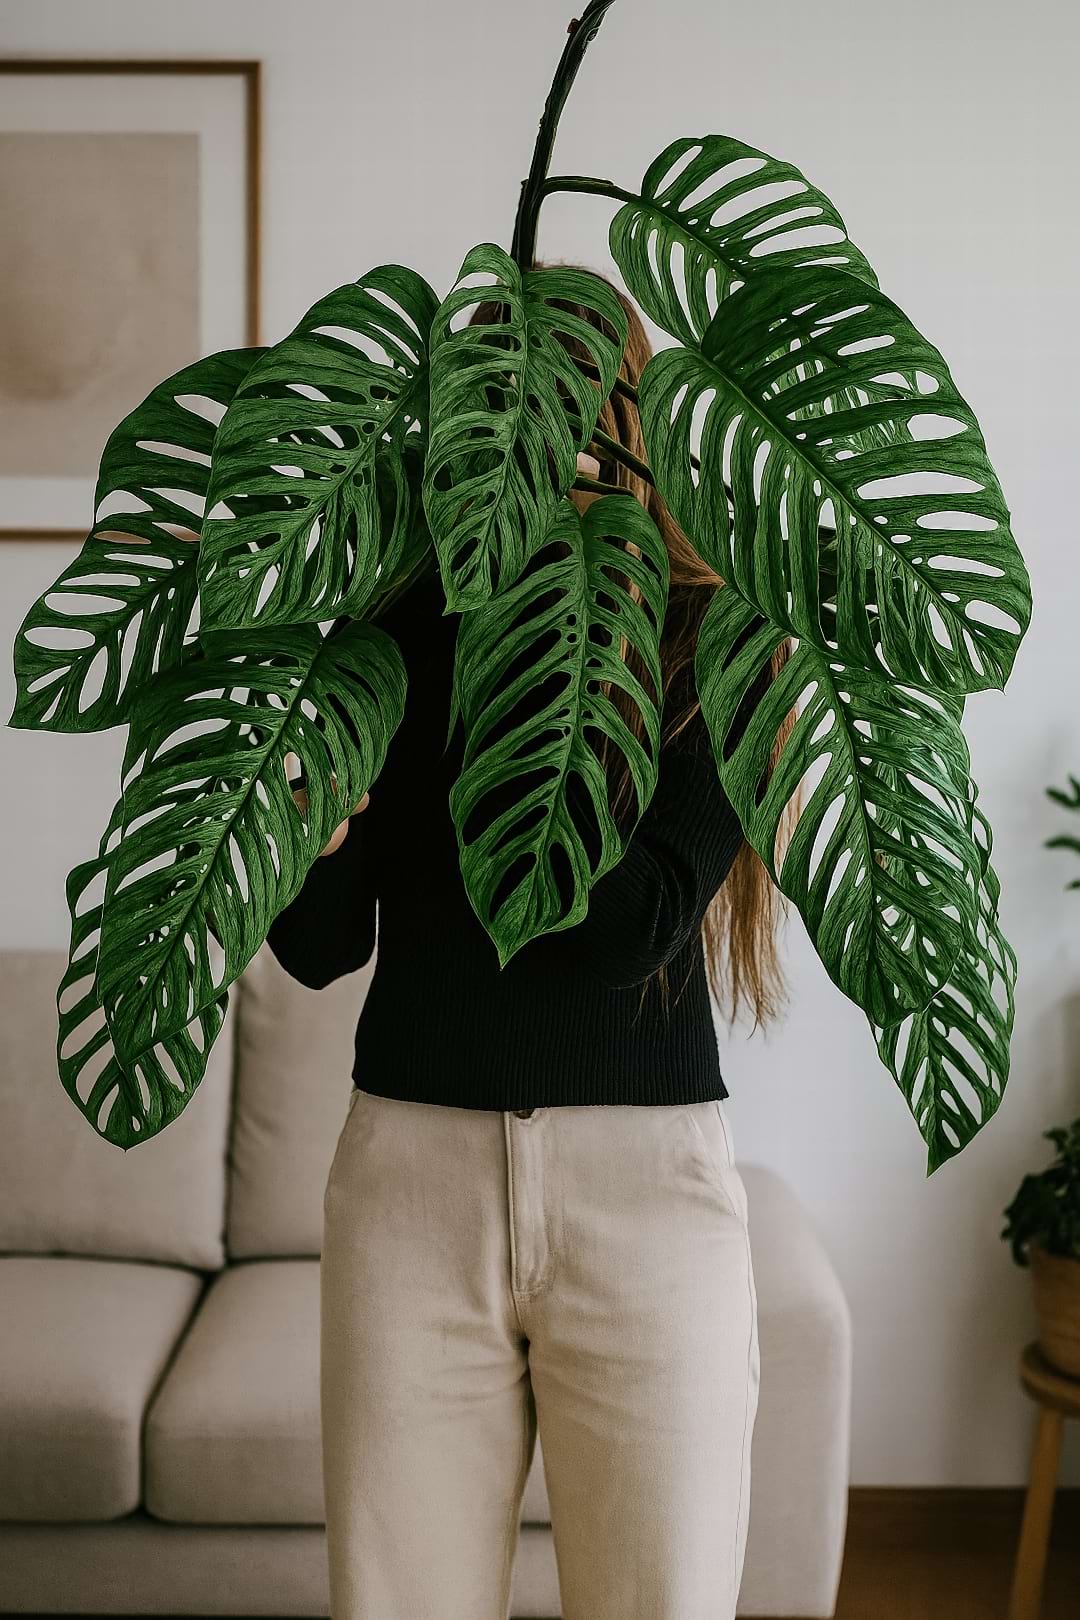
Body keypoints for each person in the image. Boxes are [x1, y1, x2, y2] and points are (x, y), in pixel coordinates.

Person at [266, 264, 792, 1620]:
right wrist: (313, 836)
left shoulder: (704, 635)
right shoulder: (397, 627)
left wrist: (533, 660)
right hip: (411, 1189)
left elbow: (625, 925)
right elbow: (322, 948)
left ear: (624, 405)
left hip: (646, 1197)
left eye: (566, 394)